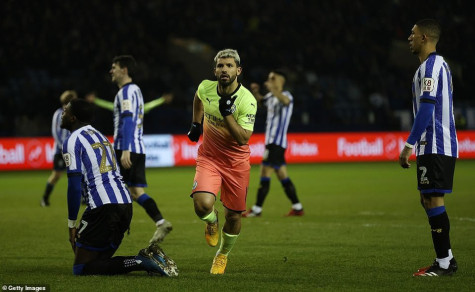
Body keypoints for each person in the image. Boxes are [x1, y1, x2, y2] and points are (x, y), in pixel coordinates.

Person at [61, 98, 177, 276]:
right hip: (125, 205)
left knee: (81, 268)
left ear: (73, 118)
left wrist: (71, 225)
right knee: (98, 262)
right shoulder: (99, 135)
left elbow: (74, 187)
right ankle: (147, 258)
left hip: (103, 208)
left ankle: (142, 261)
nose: (63, 112)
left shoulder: (72, 140)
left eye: (66, 110)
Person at [187, 49, 257, 274]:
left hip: (236, 163)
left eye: (229, 66)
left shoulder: (247, 100)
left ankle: (222, 255)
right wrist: (196, 124)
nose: (224, 69)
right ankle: (211, 220)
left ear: (238, 70)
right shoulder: (206, 87)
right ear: (215, 70)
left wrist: (227, 114)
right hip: (210, 157)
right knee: (202, 205)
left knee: (235, 216)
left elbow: (243, 139)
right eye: (220, 66)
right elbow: (198, 98)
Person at [399, 19, 458, 277]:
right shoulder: (428, 67)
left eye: (413, 34)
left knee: (433, 198)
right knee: (427, 199)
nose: (409, 38)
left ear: (424, 37)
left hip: (436, 143)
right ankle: (446, 258)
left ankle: (444, 263)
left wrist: (408, 144)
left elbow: (427, 108)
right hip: (430, 145)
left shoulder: (432, 66)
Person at [110, 55, 172, 243]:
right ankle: (160, 222)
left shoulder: (126, 92)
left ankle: (113, 230)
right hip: (137, 146)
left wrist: (126, 150)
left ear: (124, 70)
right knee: (135, 192)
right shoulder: (135, 90)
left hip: (127, 147)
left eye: (114, 67)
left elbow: (128, 121)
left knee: (116, 190)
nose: (111, 71)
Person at [242, 70, 304, 217]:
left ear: (281, 81)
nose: (269, 80)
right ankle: (297, 207)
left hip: (277, 143)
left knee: (265, 171)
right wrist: (256, 92)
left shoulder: (287, 96)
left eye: (273, 78)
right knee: (282, 175)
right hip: (271, 143)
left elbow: (285, 101)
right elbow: (261, 101)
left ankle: (257, 209)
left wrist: (273, 89)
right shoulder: (270, 96)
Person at [41, 90, 78, 207]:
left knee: (79, 173)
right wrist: (62, 146)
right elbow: (55, 131)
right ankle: (44, 198)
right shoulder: (58, 113)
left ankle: (83, 198)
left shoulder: (74, 114)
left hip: (73, 150)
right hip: (60, 150)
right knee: (56, 175)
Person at [85, 91, 174, 114]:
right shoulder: (122, 108)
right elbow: (108, 105)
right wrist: (95, 100)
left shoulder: (137, 109)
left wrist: (162, 100)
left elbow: (149, 105)